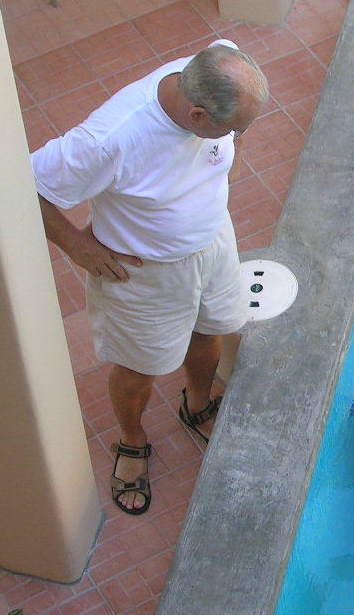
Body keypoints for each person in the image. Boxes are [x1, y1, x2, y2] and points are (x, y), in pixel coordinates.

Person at [32, 40, 270, 515]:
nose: (239, 134)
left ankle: (196, 402)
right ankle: (131, 439)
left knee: (212, 330)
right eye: (234, 128)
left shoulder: (216, 62)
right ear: (198, 115)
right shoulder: (108, 140)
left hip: (213, 245)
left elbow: (229, 104)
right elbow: (28, 186)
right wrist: (79, 247)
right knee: (137, 369)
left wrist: (229, 158)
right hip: (144, 275)